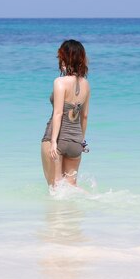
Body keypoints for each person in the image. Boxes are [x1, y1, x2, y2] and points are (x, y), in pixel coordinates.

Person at [41, 39, 90, 188]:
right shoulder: (86, 84)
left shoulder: (60, 82)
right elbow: (85, 116)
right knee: (71, 187)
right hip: (76, 141)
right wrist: (81, 141)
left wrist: (54, 142)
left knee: (54, 187)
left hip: (56, 137)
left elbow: (58, 113)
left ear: (65, 58)